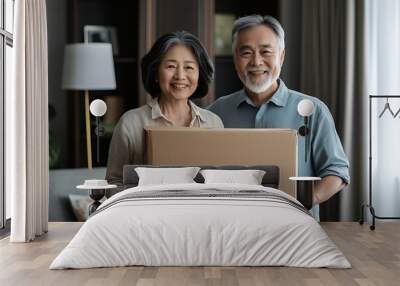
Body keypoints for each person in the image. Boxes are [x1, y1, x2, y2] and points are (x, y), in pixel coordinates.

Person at [208, 15, 349, 220]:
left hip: (295, 228)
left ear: (281, 57)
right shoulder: (216, 112)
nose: (256, 61)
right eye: (246, 52)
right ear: (235, 58)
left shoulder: (313, 110)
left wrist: (304, 202)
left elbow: (337, 172)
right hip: (231, 226)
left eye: (266, 51)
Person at [106, 31, 223, 193]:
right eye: (171, 66)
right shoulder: (131, 123)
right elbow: (114, 182)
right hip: (147, 213)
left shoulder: (213, 122)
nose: (180, 76)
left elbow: (220, 181)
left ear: (200, 74)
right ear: (155, 72)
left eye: (189, 67)